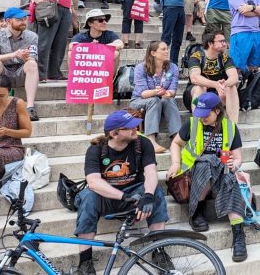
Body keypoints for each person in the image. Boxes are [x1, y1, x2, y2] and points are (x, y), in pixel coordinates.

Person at [73, 110, 169, 275]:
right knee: (88, 197)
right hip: (108, 196)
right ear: (114, 133)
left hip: (135, 191)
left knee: (157, 193)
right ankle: (85, 262)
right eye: (129, 127)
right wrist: (123, 196)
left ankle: (159, 251)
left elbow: (151, 172)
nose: (135, 128)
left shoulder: (143, 143)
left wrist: (148, 195)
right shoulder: (96, 150)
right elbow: (93, 182)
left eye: (135, 125)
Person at [166, 92, 249, 261]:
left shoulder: (230, 128)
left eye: (206, 114)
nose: (202, 118)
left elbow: (238, 157)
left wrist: (235, 165)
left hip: (221, 174)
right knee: (206, 163)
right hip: (195, 172)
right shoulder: (192, 124)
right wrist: (175, 163)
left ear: (217, 111)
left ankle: (238, 234)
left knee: (229, 178)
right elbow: (175, 143)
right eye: (200, 114)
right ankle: (197, 210)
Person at [0, 75, 32, 224]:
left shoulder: (17, 104)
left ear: (9, 92)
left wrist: (7, 131)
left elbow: (27, 132)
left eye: (1, 95)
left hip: (12, 147)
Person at [130, 41, 182, 153]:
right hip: (140, 100)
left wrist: (169, 93)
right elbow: (143, 93)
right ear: (153, 53)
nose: (167, 51)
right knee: (154, 100)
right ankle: (151, 141)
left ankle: (177, 138)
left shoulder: (173, 67)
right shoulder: (141, 68)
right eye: (163, 49)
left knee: (169, 100)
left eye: (167, 48)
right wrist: (156, 92)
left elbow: (173, 89)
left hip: (161, 99)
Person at [0, 8, 40, 121]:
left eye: (25, 19)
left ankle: (30, 107)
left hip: (21, 72)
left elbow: (34, 57)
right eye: (19, 19)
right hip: (3, 73)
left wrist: (27, 57)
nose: (23, 22)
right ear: (8, 21)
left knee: (32, 64)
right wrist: (13, 55)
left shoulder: (32, 36)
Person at [30, 0, 73, 82]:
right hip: (50, 8)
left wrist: (70, 10)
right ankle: (40, 73)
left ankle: (54, 72)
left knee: (60, 43)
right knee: (44, 42)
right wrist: (43, 6)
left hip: (64, 11)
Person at [188, 30, 242, 122]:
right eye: (221, 41)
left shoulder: (225, 58)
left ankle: (233, 127)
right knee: (201, 87)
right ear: (210, 44)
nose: (224, 44)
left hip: (218, 95)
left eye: (225, 41)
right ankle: (196, 126)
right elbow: (195, 78)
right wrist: (215, 84)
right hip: (196, 97)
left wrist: (224, 84)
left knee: (231, 87)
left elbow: (234, 77)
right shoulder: (196, 57)